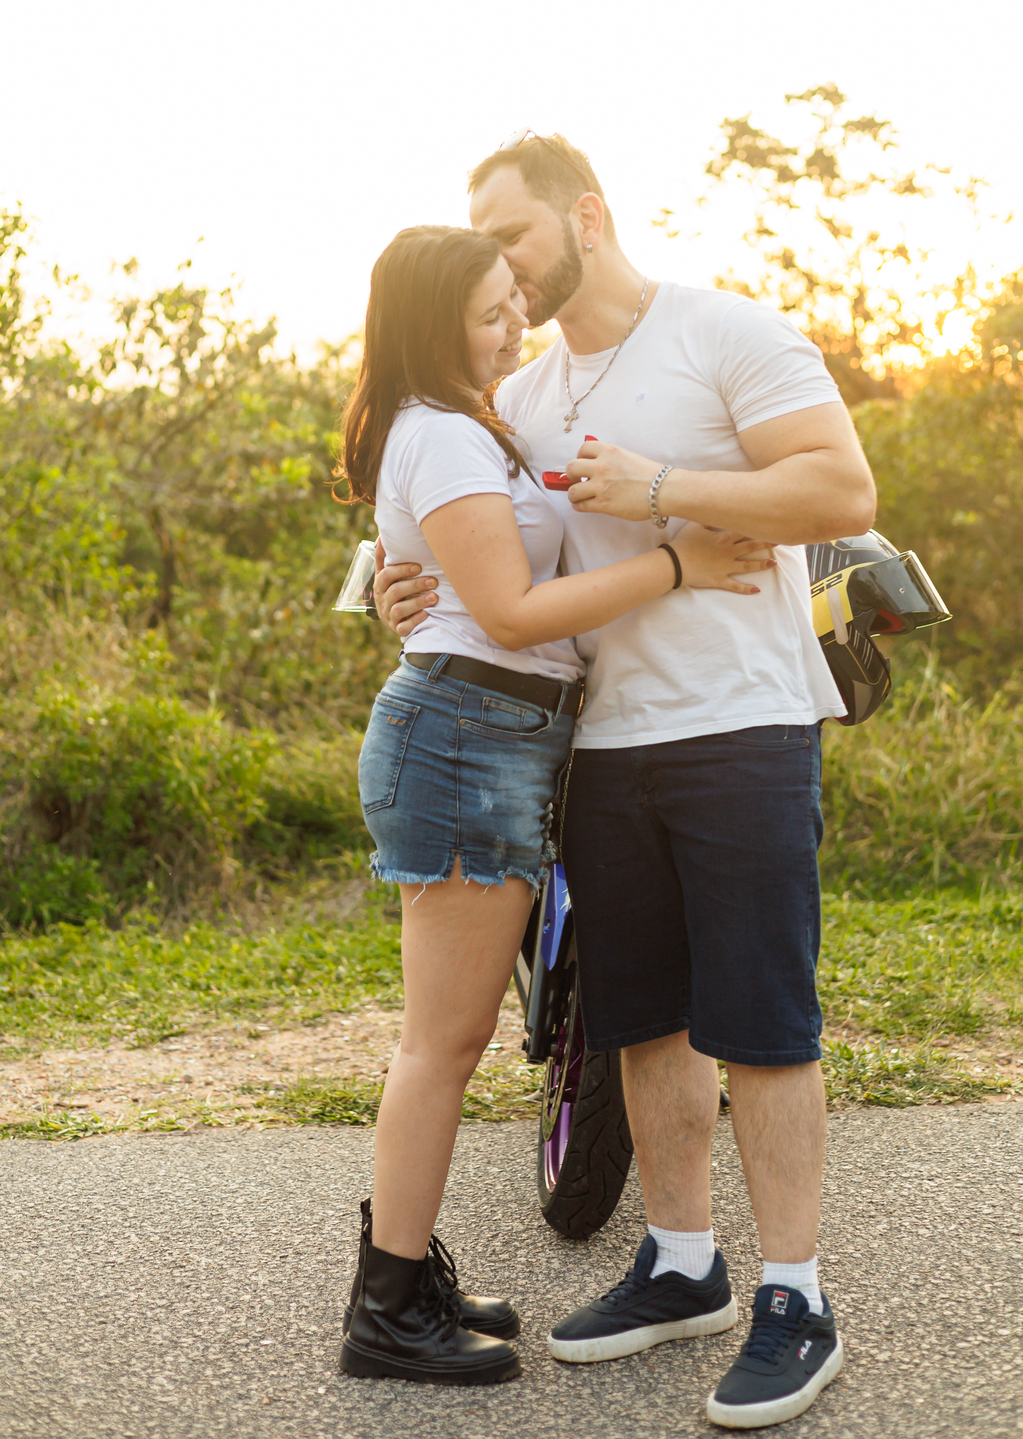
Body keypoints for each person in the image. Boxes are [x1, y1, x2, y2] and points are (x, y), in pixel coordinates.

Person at [375, 135, 877, 1429]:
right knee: (639, 1019)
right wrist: (395, 588)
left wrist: (661, 489)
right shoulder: (521, 394)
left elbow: (839, 487)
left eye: (512, 232)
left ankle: (795, 1296)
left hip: (743, 729)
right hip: (599, 746)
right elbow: (482, 549)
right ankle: (680, 1261)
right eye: (477, 237)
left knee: (763, 1019)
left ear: (586, 215)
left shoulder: (725, 335)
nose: (498, 260)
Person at [336, 222, 772, 1389]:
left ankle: (407, 1266)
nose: (511, 324)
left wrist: (392, 580)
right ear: (435, 323)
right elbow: (518, 613)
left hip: (497, 734)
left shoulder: (460, 425)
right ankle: (386, 1309)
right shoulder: (440, 432)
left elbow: (452, 571)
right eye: (488, 311)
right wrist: (681, 564)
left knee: (451, 1038)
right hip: (469, 736)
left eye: (509, 303)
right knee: (444, 1044)